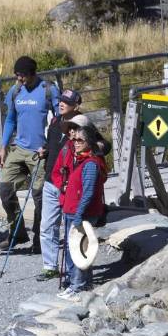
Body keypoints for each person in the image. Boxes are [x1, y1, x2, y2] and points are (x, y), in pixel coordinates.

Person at [0, 56, 57, 253]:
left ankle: (40, 239)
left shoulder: (48, 90)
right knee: (5, 190)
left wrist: (50, 146)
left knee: (39, 197)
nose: (18, 78)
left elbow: (59, 121)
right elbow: (10, 120)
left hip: (40, 152)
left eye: (22, 75)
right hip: (19, 149)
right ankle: (17, 232)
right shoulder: (16, 91)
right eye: (16, 74)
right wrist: (3, 146)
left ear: (32, 73)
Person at [57, 121, 107, 300]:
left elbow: (88, 192)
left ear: (90, 143)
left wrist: (78, 214)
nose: (75, 142)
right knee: (81, 249)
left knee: (77, 251)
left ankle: (76, 286)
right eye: (74, 139)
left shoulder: (91, 164)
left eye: (80, 140)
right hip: (74, 211)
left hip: (82, 214)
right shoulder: (82, 161)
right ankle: (85, 283)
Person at [38, 90, 83, 279]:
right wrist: (45, 151)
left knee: (73, 227)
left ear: (76, 105)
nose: (61, 104)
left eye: (66, 102)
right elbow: (51, 146)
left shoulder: (83, 125)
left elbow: (102, 146)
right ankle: (50, 266)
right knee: (47, 225)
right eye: (61, 101)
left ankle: (77, 267)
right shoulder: (56, 122)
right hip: (51, 181)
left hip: (71, 185)